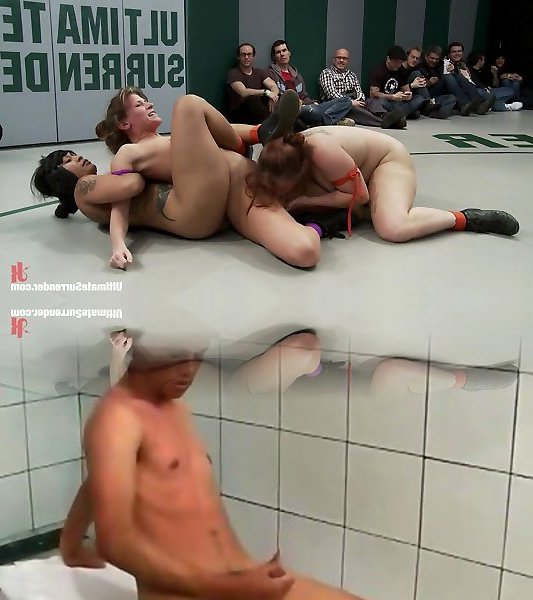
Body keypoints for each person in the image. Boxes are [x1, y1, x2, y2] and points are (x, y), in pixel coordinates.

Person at [59, 341, 367, 600]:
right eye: (177, 355)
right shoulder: (118, 418)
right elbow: (114, 542)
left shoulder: (174, 408)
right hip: (196, 592)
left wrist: (71, 545)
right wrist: (229, 588)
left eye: (198, 354)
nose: (190, 370)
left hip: (239, 577)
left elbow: (104, 482)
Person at [31, 89, 301, 270]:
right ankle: (257, 137)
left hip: (224, 193)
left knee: (303, 250)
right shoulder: (119, 160)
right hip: (194, 207)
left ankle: (261, 136)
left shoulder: (167, 142)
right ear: (124, 124)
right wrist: (117, 245)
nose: (77, 157)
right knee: (189, 105)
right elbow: (125, 193)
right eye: (68, 160)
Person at [242, 126, 520, 246]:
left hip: (386, 161)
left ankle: (465, 218)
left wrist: (304, 202)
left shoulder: (322, 152)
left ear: (298, 171)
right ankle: (351, 215)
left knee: (392, 228)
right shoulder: (281, 154)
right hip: (354, 171)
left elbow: (359, 195)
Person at [267, 40, 355, 128]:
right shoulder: (270, 73)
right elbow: (278, 96)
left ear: (289, 53)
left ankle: (324, 120)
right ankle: (331, 120)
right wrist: (297, 103)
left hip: (306, 107)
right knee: (312, 111)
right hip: (292, 110)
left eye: (284, 50)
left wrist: (313, 103)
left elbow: (304, 96)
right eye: (278, 52)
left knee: (346, 101)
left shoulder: (296, 75)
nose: (282, 54)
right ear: (274, 56)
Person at [318, 48, 405, 128]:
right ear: (334, 59)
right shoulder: (327, 73)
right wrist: (351, 102)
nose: (341, 60)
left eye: (344, 58)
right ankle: (386, 122)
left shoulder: (351, 75)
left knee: (371, 101)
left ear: (348, 61)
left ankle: (384, 115)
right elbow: (331, 93)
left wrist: (360, 100)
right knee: (357, 111)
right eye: (339, 58)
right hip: (337, 105)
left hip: (355, 100)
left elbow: (358, 90)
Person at [417, 46, 482, 116]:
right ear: (426, 56)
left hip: (442, 88)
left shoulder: (441, 63)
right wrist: (429, 82)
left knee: (456, 76)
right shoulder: (420, 66)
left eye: (437, 59)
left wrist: (452, 70)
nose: (434, 61)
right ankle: (464, 105)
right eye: (432, 58)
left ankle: (476, 103)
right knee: (448, 77)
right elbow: (419, 86)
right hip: (430, 92)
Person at [226, 43, 281, 124]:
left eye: (249, 54)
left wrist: (273, 97)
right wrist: (266, 92)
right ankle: (272, 123)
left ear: (253, 56)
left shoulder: (259, 72)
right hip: (240, 114)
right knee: (252, 99)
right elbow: (243, 92)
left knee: (280, 96)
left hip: (258, 112)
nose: (247, 57)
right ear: (238, 57)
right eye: (243, 54)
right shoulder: (234, 73)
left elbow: (273, 85)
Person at [368, 45, 426, 122]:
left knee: (419, 99)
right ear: (388, 59)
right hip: (386, 101)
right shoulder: (378, 71)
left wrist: (407, 95)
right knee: (377, 102)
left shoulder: (401, 70)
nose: (398, 65)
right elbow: (373, 94)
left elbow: (406, 89)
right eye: (396, 62)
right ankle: (404, 114)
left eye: (400, 62)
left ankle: (397, 115)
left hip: (397, 102)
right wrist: (392, 97)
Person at [401, 47, 456, 119]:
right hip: (410, 97)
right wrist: (412, 85)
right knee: (416, 74)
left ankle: (434, 112)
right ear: (407, 56)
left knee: (451, 98)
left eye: (417, 58)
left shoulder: (418, 67)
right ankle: (429, 106)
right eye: (412, 57)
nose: (414, 60)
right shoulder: (400, 68)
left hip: (426, 96)